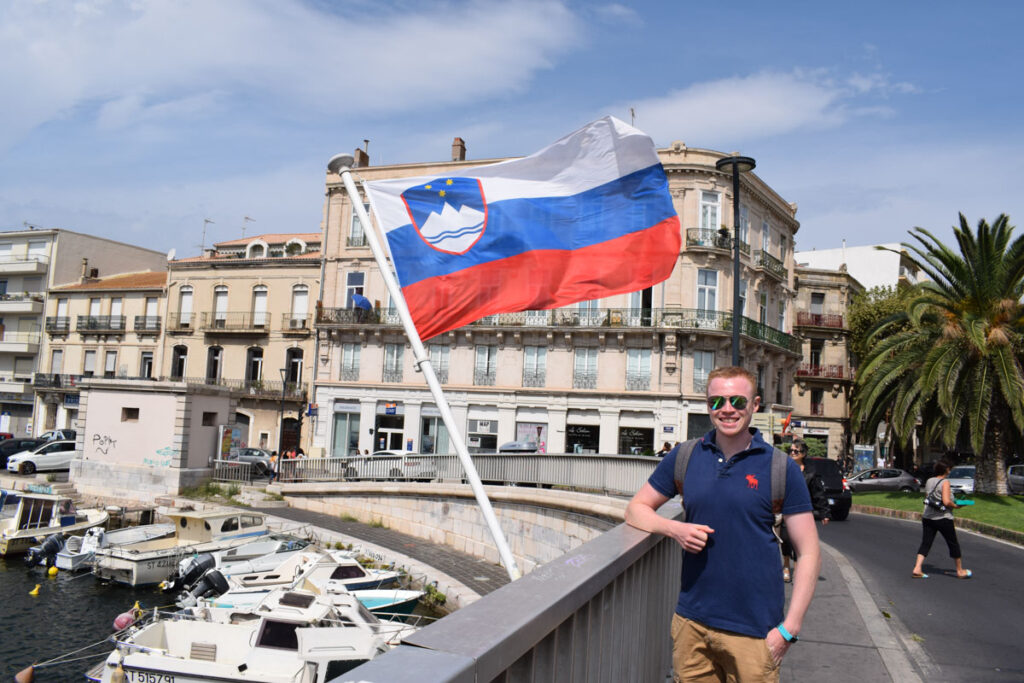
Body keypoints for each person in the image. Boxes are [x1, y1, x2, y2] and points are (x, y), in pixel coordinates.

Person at [625, 366, 820, 681]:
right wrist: (675, 529)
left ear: (755, 405)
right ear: (708, 406)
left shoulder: (781, 468)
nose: (727, 409)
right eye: (717, 402)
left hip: (755, 633)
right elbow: (636, 509)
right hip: (692, 625)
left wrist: (789, 629)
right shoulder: (685, 456)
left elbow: (809, 552)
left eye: (737, 401)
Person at [780, 438, 831, 583]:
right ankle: (786, 565)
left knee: (799, 541)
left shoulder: (811, 472)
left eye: (796, 451)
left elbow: (818, 493)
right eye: (791, 450)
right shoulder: (784, 468)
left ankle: (797, 568)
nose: (793, 453)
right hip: (786, 509)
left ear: (803, 453)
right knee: (785, 538)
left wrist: (824, 512)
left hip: (803, 511)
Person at [912, 460, 972, 579]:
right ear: (946, 470)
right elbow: (946, 501)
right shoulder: (945, 482)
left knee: (926, 542)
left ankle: (917, 568)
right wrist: (957, 505)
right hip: (943, 517)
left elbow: (928, 496)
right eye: (949, 469)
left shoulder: (929, 481)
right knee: (953, 543)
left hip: (928, 517)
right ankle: (960, 571)